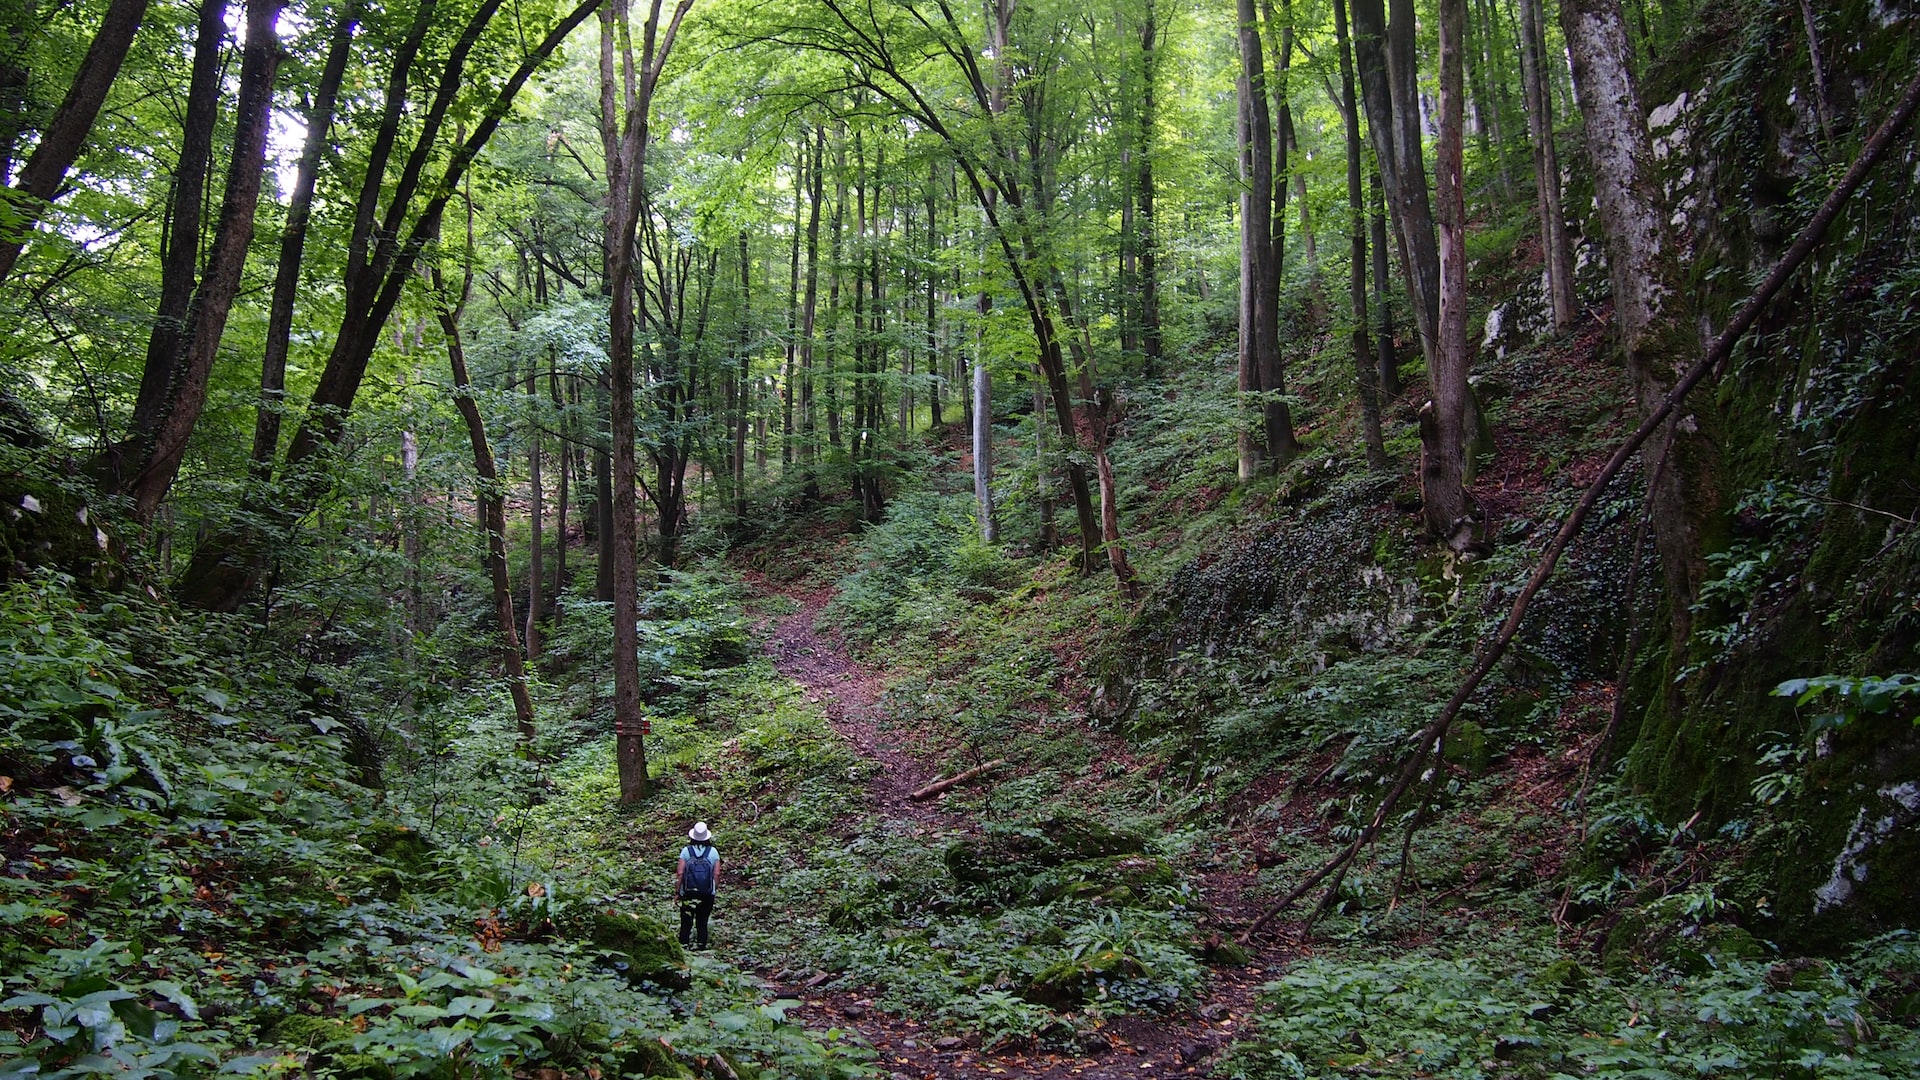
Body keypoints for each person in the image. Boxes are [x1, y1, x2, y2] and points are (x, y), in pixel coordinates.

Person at [675, 821, 719, 950]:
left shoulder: (686, 851)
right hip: (707, 894)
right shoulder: (713, 852)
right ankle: (701, 948)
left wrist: (678, 892)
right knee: (702, 923)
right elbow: (716, 874)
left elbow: (680, 873)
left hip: (687, 893)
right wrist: (713, 889)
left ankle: (683, 948)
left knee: (686, 923)